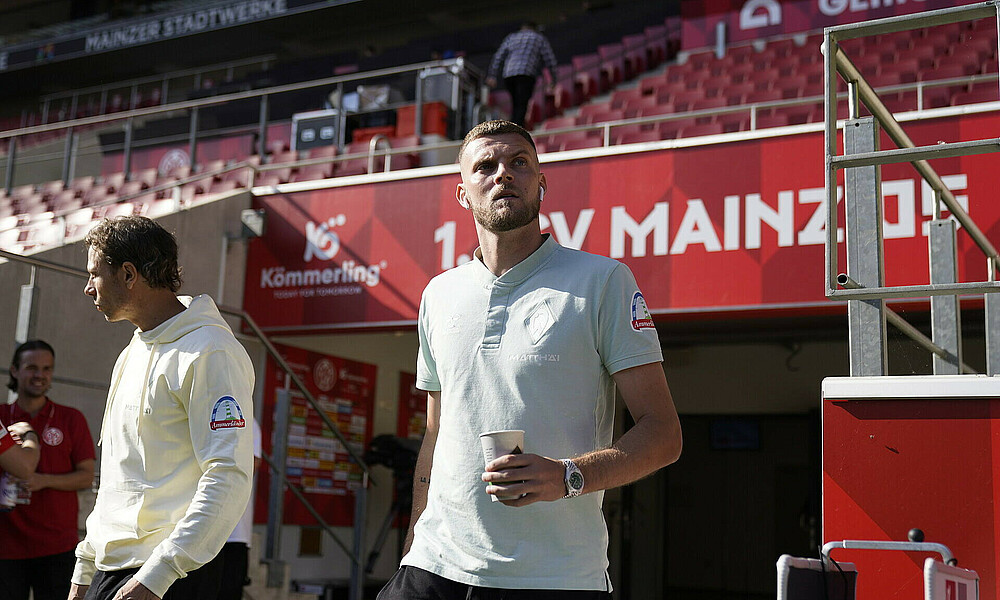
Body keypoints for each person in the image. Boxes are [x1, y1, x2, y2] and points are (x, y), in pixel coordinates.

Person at [377, 120, 682, 599]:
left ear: (542, 182)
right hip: (433, 571)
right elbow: (436, 434)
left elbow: (663, 434)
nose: (504, 174)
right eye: (486, 166)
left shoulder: (603, 281)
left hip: (554, 580)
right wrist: (413, 546)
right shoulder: (438, 294)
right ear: (462, 194)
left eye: (519, 162)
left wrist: (568, 475)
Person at [70, 216, 255, 600]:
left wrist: (160, 574)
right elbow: (120, 478)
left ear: (128, 274)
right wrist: (84, 570)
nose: (88, 288)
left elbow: (228, 476)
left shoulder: (211, 351)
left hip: (167, 579)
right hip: (112, 573)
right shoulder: (131, 352)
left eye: (94, 274)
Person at [0, 340, 96, 600]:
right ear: (14, 371)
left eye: (46, 369)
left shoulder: (70, 418)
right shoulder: (2, 417)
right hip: (6, 546)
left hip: (56, 546)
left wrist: (43, 480)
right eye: (32, 367)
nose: (40, 375)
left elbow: (87, 476)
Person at [217, 419, 261, 600]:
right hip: (199, 530)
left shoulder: (248, 419)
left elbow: (252, 464)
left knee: (228, 591)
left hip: (234, 534)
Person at [486, 22, 558, 128]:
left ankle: (514, 126)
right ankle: (517, 129)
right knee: (522, 104)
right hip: (526, 74)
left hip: (509, 74)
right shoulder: (538, 38)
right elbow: (549, 60)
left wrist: (492, 75)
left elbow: (498, 57)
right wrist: (553, 79)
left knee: (515, 103)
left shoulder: (511, 37)